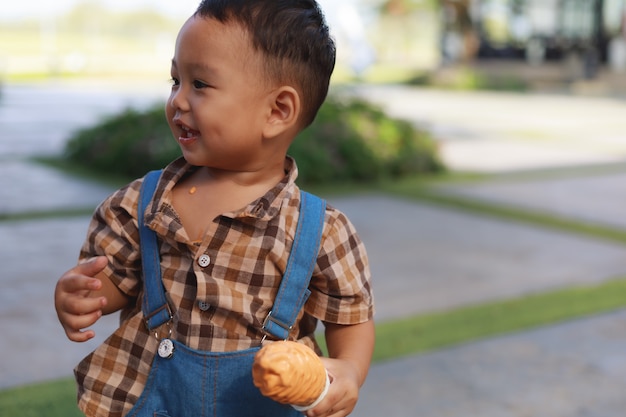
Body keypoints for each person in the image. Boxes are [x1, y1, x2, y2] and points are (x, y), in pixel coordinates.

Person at [53, 1, 375, 416]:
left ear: (277, 111)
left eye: (200, 84)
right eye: (175, 80)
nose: (178, 101)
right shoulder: (139, 203)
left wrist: (348, 371)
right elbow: (116, 280)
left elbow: (349, 316)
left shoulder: (321, 230)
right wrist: (86, 296)